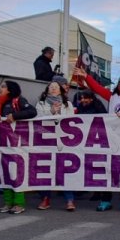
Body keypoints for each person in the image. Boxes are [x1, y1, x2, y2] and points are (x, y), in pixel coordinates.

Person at [73, 67, 120, 212]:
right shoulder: (113, 97)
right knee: (108, 169)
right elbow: (97, 88)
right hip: (110, 138)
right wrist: (86, 76)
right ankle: (106, 200)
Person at [0, 80, 37, 214]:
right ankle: (8, 203)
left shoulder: (19, 100)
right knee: (5, 174)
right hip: (3, 144)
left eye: (3, 87)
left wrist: (15, 115)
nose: (0, 89)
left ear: (10, 90)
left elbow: (32, 112)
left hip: (16, 144)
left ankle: (19, 204)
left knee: (16, 174)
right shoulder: (0, 103)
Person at [34, 81, 76, 211]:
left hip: (63, 141)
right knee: (45, 170)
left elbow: (72, 120)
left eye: (56, 87)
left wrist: (59, 114)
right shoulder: (41, 104)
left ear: (61, 91)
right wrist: (51, 112)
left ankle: (69, 200)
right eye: (51, 87)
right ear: (47, 91)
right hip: (46, 140)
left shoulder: (67, 104)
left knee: (65, 170)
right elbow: (37, 120)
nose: (53, 89)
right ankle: (45, 199)